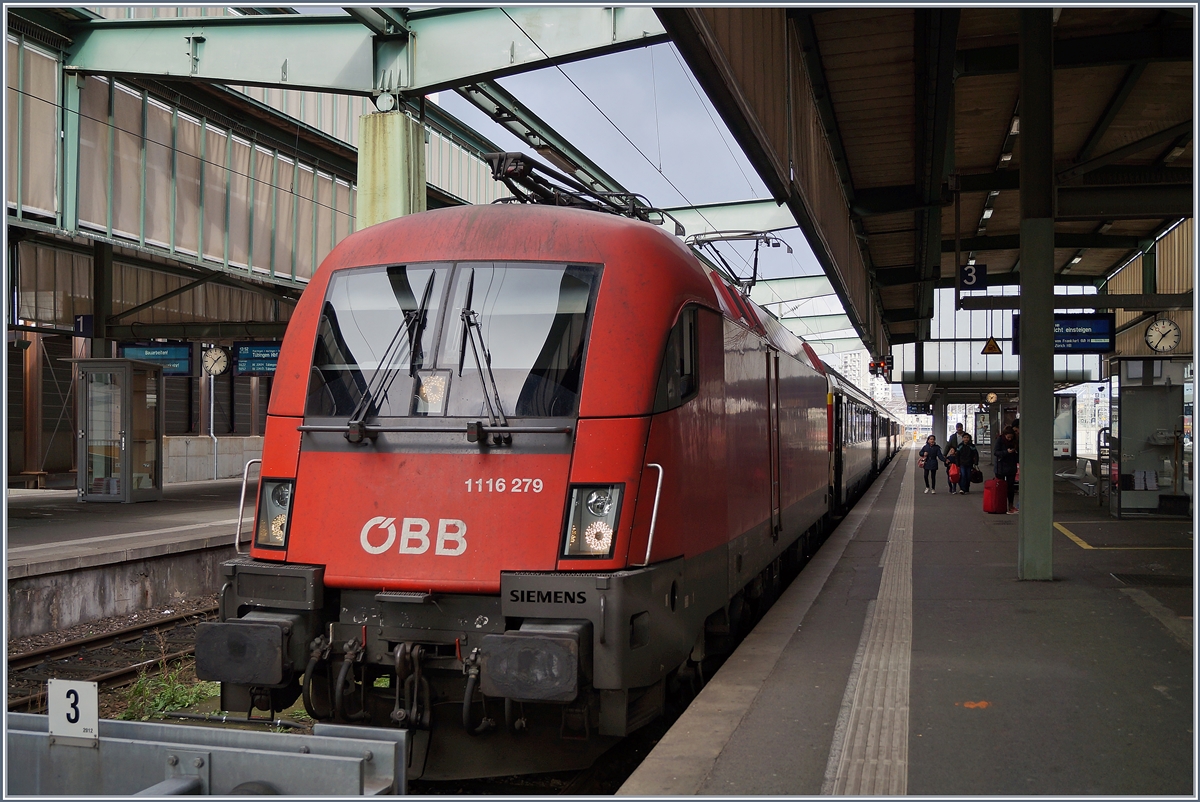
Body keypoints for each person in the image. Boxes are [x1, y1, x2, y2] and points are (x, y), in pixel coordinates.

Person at [995, 425, 1019, 513]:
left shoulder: (1015, 441)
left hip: (1011, 466)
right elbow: (996, 452)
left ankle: (1010, 505)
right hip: (1001, 466)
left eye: (1011, 437)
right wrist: (1006, 452)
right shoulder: (1000, 440)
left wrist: (1015, 453)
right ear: (1005, 435)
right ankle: (1000, 506)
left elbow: (1018, 453)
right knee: (1000, 487)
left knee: (1010, 487)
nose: (1009, 439)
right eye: (1008, 437)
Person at [946, 422, 965, 493]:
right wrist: (944, 455)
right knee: (953, 475)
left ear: (962, 428)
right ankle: (953, 488)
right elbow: (948, 445)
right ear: (956, 428)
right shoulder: (953, 437)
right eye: (958, 427)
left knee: (962, 475)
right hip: (956, 459)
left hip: (963, 458)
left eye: (960, 427)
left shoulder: (966, 436)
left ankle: (963, 488)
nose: (959, 429)